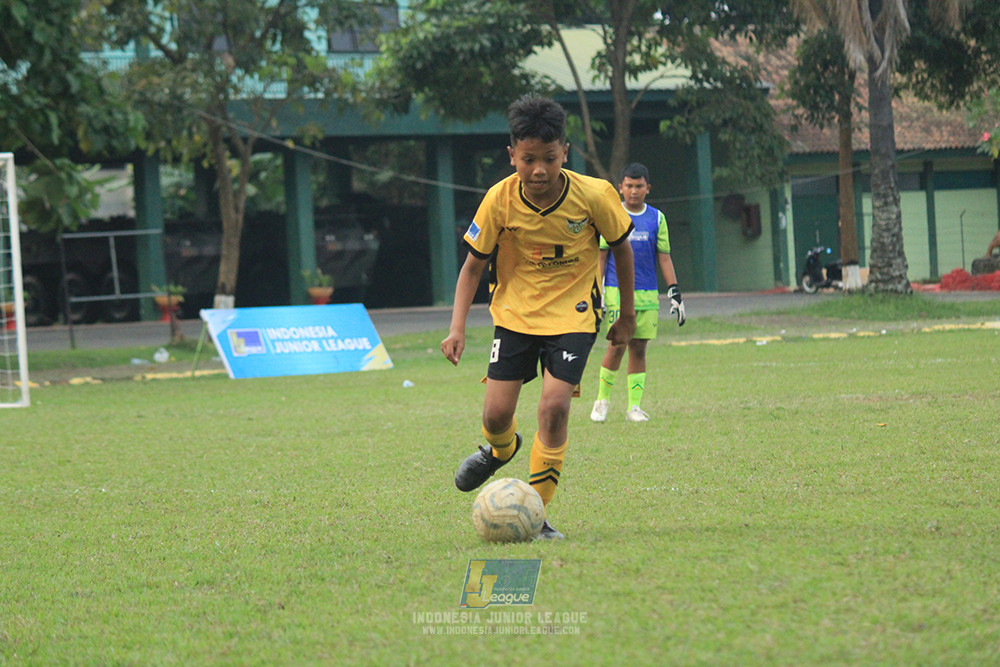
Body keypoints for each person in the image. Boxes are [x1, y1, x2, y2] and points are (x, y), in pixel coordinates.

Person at [441, 94, 636, 540]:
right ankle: (500, 450)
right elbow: (472, 266)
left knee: (554, 407)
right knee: (495, 416)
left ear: (565, 152)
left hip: (574, 314)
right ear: (512, 155)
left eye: (549, 158)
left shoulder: (595, 195)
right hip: (514, 315)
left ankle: (537, 512)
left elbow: (622, 250)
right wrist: (456, 327)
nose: (539, 170)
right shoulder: (499, 200)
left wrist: (626, 316)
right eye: (528, 160)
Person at [590, 162, 685, 424]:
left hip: (647, 294)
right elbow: (601, 257)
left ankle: (634, 407)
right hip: (617, 293)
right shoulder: (612, 214)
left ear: (648, 188)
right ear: (620, 188)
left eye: (639, 186)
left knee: (639, 349)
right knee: (617, 345)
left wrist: (674, 291)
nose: (634, 191)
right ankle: (601, 401)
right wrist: (597, 291)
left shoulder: (657, 218)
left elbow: (664, 257)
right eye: (629, 186)